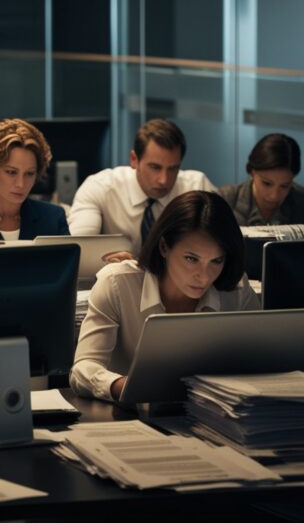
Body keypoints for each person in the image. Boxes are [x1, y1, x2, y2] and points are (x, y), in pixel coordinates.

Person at [70, 191, 259, 402]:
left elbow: (263, 364)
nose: (203, 276)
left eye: (216, 261)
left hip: (216, 417)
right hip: (130, 417)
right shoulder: (118, 283)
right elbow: (83, 369)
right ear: (163, 247)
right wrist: (125, 387)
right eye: (191, 259)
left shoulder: (237, 290)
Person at [68, 119, 215, 257]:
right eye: (155, 167)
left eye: (172, 168)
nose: (163, 180)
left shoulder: (197, 189)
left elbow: (226, 247)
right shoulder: (101, 187)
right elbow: (78, 249)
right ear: (134, 160)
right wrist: (108, 262)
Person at [218, 133, 304, 226]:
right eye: (267, 183)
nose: (274, 196)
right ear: (252, 172)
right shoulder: (225, 200)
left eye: (284, 186)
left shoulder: (301, 202)